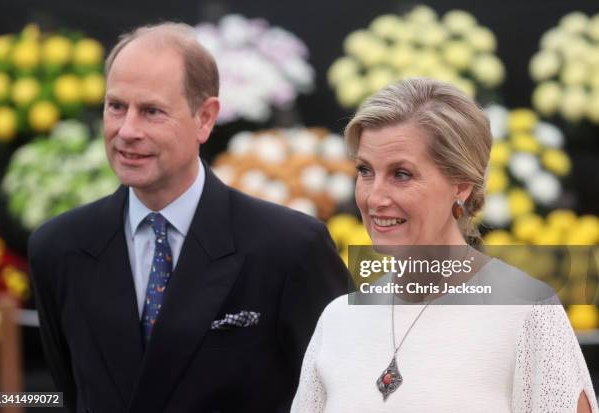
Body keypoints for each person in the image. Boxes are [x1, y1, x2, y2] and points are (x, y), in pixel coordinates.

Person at [29, 22, 350, 413]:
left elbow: (345, 389)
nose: (127, 130)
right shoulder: (58, 247)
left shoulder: (290, 247)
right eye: (116, 107)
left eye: (151, 111)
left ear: (205, 118)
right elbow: (69, 390)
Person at [291, 78, 598, 412]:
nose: (374, 197)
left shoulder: (527, 313)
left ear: (461, 187)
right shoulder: (337, 321)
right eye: (365, 171)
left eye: (402, 174)